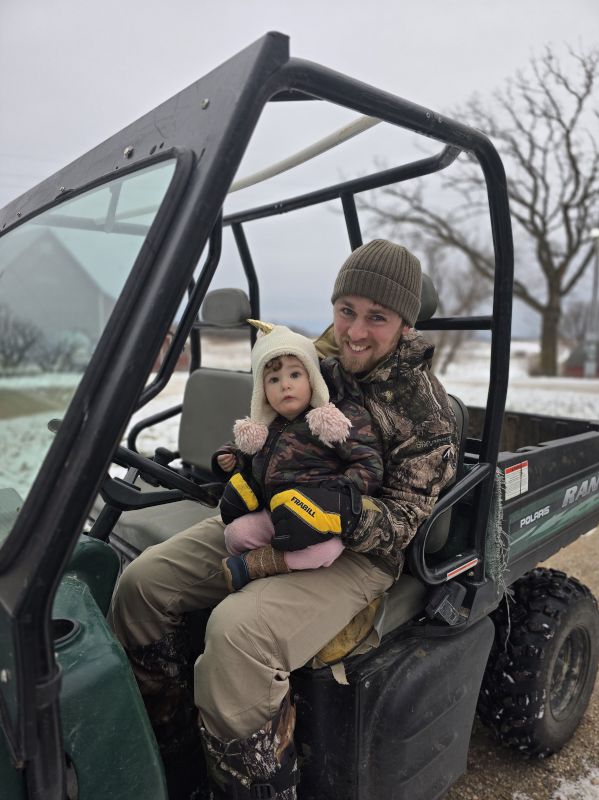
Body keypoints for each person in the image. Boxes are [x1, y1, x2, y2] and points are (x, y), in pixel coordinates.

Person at [109, 239, 458, 800]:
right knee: (142, 584)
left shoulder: (426, 411)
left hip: (356, 553)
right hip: (270, 515)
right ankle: (170, 749)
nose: (355, 332)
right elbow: (267, 419)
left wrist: (337, 513)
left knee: (238, 635)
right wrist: (243, 461)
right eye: (346, 310)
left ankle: (251, 787)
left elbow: (403, 522)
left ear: (405, 324)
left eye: (378, 317)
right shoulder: (313, 359)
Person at [215, 323, 384, 593]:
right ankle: (276, 556)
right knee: (234, 535)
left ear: (312, 379)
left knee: (324, 551)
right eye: (273, 380)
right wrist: (232, 460)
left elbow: (369, 465)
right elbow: (255, 461)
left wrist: (334, 496)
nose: (285, 386)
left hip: (319, 517)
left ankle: (267, 562)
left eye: (295, 374)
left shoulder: (335, 420)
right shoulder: (267, 427)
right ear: (263, 393)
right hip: (276, 512)